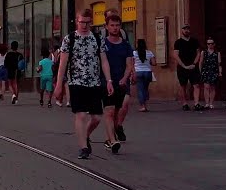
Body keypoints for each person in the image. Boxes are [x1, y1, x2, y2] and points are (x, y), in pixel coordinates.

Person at [54, 11, 117, 158]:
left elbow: (104, 60)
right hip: (76, 82)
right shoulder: (69, 39)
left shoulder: (97, 38)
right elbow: (62, 63)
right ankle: (83, 147)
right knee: (81, 115)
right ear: (77, 21)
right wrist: (58, 85)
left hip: (94, 82)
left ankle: (86, 135)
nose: (84, 25)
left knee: (96, 118)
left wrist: (108, 81)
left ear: (91, 22)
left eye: (88, 22)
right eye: (82, 22)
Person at [100, 11, 135, 145]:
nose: (115, 28)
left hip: (121, 82)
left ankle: (113, 132)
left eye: (117, 25)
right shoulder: (102, 44)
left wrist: (125, 78)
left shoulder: (125, 45)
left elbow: (129, 64)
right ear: (107, 27)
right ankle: (112, 141)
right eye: (112, 25)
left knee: (118, 110)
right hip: (106, 82)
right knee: (109, 110)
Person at [174, 25, 203, 111]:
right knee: (183, 86)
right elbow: (176, 55)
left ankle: (196, 103)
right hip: (182, 67)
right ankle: (184, 103)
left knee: (196, 85)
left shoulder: (194, 41)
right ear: (182, 30)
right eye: (184, 29)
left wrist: (194, 63)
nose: (186, 30)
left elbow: (198, 53)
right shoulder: (178, 42)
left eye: (188, 29)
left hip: (193, 66)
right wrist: (183, 65)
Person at [133, 39, 155, 112]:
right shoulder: (149, 53)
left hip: (138, 72)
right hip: (147, 72)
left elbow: (132, 63)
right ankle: (145, 105)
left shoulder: (134, 53)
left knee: (140, 89)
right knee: (145, 89)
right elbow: (154, 63)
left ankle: (142, 106)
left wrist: (133, 73)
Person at [200, 38, 221, 108]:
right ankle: (207, 103)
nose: (210, 45)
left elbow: (219, 63)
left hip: (214, 71)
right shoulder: (204, 52)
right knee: (206, 87)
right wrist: (200, 71)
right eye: (208, 44)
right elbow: (201, 62)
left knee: (212, 87)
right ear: (207, 45)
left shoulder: (217, 53)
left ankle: (211, 103)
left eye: (211, 43)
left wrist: (220, 72)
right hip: (206, 71)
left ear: (214, 44)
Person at [6, 40, 25, 105]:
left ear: (11, 47)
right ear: (17, 47)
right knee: (16, 84)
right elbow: (22, 64)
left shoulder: (8, 54)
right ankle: (16, 98)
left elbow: (5, 64)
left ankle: (13, 95)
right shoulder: (20, 55)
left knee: (10, 84)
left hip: (10, 70)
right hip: (18, 71)